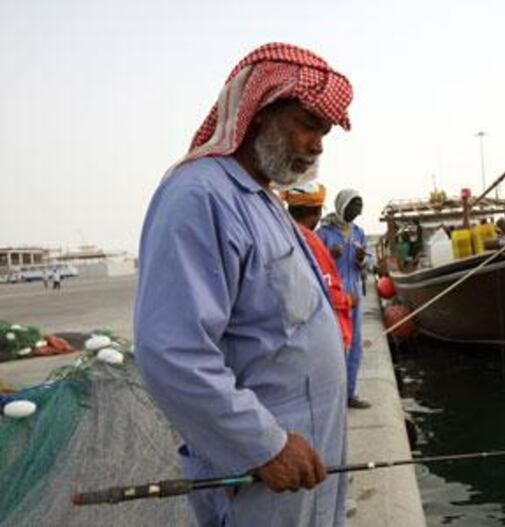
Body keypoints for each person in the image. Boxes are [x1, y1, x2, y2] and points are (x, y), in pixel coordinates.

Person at [133, 43, 353, 527]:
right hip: (261, 472)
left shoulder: (265, 202)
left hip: (307, 461)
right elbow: (172, 351)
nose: (317, 145)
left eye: (324, 132)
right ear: (258, 113)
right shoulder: (199, 197)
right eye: (307, 124)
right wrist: (263, 445)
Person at [317, 190, 372, 410]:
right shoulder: (324, 233)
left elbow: (367, 263)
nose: (358, 209)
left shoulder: (359, 232)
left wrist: (361, 260)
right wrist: (331, 255)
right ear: (342, 205)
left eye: (360, 205)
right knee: (335, 346)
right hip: (334, 297)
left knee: (356, 345)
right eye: (354, 204)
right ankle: (332, 396)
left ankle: (350, 393)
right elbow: (315, 262)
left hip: (355, 296)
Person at [283, 183, 353, 352]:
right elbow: (328, 291)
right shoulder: (311, 240)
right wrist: (349, 300)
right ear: (317, 211)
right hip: (322, 337)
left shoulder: (279, 234)